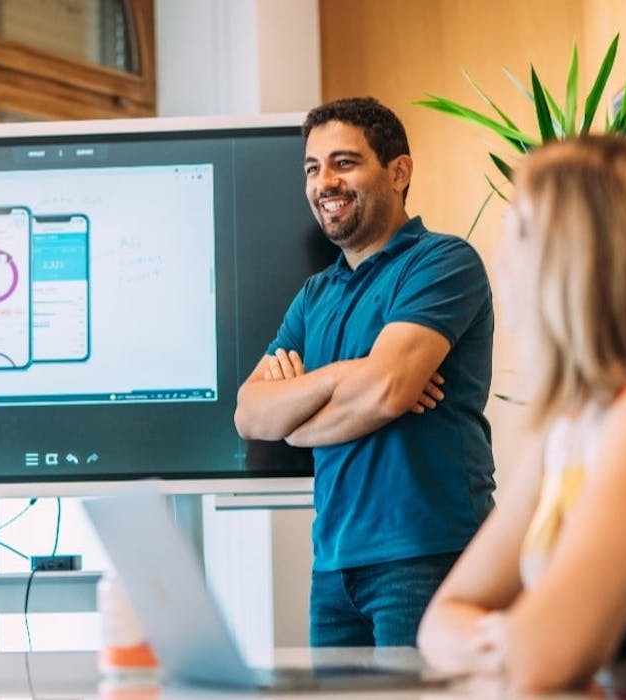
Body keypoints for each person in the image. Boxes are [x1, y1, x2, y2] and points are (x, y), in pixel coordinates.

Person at [417, 135, 626, 695]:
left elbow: (545, 662)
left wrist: (514, 644)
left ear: (584, 253)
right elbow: (441, 622)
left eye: (520, 229)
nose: (500, 254)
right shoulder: (573, 425)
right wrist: (515, 637)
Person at [234, 97, 496, 647]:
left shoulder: (442, 262)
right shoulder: (315, 294)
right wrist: (345, 376)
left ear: (398, 172)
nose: (323, 182)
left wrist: (301, 416)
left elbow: (387, 391)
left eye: (343, 163)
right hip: (332, 567)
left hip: (427, 553)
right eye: (312, 168)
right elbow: (250, 413)